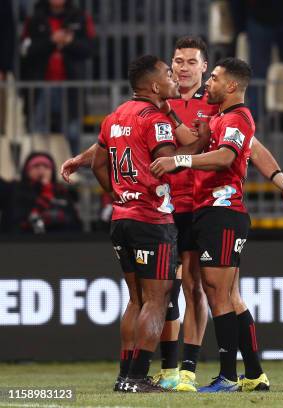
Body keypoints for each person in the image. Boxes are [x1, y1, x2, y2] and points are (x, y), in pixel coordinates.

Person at [61, 37, 283, 393]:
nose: (183, 67)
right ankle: (172, 369)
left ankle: (189, 370)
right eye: (177, 61)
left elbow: (249, 146)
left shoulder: (213, 104)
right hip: (166, 208)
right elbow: (112, 146)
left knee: (197, 289)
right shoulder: (163, 106)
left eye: (192, 61)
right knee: (167, 293)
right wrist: (82, 159)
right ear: (169, 69)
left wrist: (281, 181)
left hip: (200, 207)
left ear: (205, 67)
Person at [92, 54, 207, 393]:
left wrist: (119, 193)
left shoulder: (114, 117)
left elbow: (99, 163)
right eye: (170, 74)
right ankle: (138, 376)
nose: (176, 78)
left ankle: (124, 375)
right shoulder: (154, 119)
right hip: (152, 221)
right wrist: (202, 141)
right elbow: (168, 161)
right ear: (155, 86)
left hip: (121, 218)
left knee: (136, 300)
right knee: (157, 300)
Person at [150, 58, 262, 393]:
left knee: (220, 294)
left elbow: (226, 157)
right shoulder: (219, 118)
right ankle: (253, 374)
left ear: (231, 86)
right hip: (207, 211)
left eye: (213, 78)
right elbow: (205, 146)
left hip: (224, 212)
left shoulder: (238, 118)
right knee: (220, 294)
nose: (207, 84)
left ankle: (229, 376)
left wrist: (178, 160)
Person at [21, 0, 96, 154]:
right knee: (38, 130)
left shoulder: (80, 17)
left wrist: (70, 42)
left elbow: (91, 48)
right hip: (41, 85)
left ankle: (72, 172)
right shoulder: (35, 19)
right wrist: (51, 41)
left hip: (71, 86)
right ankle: (40, 168)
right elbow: (25, 50)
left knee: (72, 132)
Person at [4, 152, 81, 234]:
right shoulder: (17, 191)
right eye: (36, 166)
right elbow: (17, 220)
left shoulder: (62, 192)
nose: (41, 170)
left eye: (46, 167)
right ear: (27, 170)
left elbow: (74, 221)